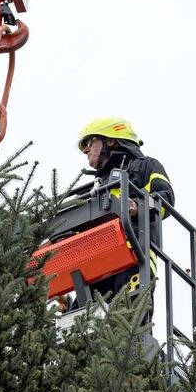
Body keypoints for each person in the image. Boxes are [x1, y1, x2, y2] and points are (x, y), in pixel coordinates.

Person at [76, 116, 174, 303]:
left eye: (89, 142)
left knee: (129, 322)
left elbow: (166, 200)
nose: (86, 150)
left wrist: (138, 206)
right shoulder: (96, 184)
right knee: (78, 321)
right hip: (97, 266)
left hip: (135, 257)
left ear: (110, 140)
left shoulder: (146, 166)